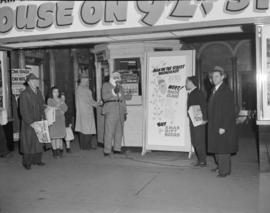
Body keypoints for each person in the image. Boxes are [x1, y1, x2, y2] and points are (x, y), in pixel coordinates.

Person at [208, 66, 238, 177]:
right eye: (213, 76)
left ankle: (224, 171)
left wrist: (223, 127)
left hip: (222, 125)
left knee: (223, 149)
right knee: (217, 147)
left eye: (217, 76)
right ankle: (220, 166)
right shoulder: (215, 89)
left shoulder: (226, 91)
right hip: (214, 124)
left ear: (222, 77)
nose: (214, 78)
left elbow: (229, 111)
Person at [19, 73, 45, 170]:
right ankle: (27, 162)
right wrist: (30, 122)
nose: (35, 82)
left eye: (36, 80)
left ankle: (38, 160)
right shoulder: (24, 94)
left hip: (39, 120)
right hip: (28, 123)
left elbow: (42, 105)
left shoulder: (38, 92)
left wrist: (46, 114)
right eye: (33, 81)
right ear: (29, 82)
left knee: (39, 142)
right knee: (28, 143)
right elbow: (23, 111)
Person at [102, 72, 127, 156]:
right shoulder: (106, 85)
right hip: (111, 110)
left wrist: (125, 112)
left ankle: (117, 148)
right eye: (115, 77)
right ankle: (107, 150)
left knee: (119, 131)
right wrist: (113, 92)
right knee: (109, 131)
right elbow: (104, 97)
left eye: (118, 77)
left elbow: (123, 100)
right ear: (112, 77)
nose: (117, 78)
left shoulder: (121, 87)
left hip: (120, 110)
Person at [186, 76, 207, 167]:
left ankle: (203, 161)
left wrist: (205, 119)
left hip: (199, 121)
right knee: (195, 140)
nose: (186, 84)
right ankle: (200, 160)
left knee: (199, 141)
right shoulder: (191, 93)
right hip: (193, 121)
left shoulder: (198, 93)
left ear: (191, 83)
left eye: (187, 82)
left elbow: (204, 106)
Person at [75, 73, 98, 150]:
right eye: (87, 80)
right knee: (86, 129)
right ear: (83, 80)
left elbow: (89, 100)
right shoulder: (83, 89)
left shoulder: (80, 89)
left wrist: (95, 103)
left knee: (85, 129)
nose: (88, 81)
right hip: (85, 112)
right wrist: (97, 104)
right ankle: (85, 146)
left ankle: (86, 145)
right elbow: (89, 101)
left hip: (84, 112)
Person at [47, 86, 68, 158]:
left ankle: (58, 150)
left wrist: (60, 106)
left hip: (60, 120)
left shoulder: (60, 99)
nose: (56, 93)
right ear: (52, 93)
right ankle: (54, 151)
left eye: (57, 92)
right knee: (53, 137)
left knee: (59, 137)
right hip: (53, 120)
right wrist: (59, 106)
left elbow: (65, 108)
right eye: (54, 92)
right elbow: (51, 108)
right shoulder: (50, 100)